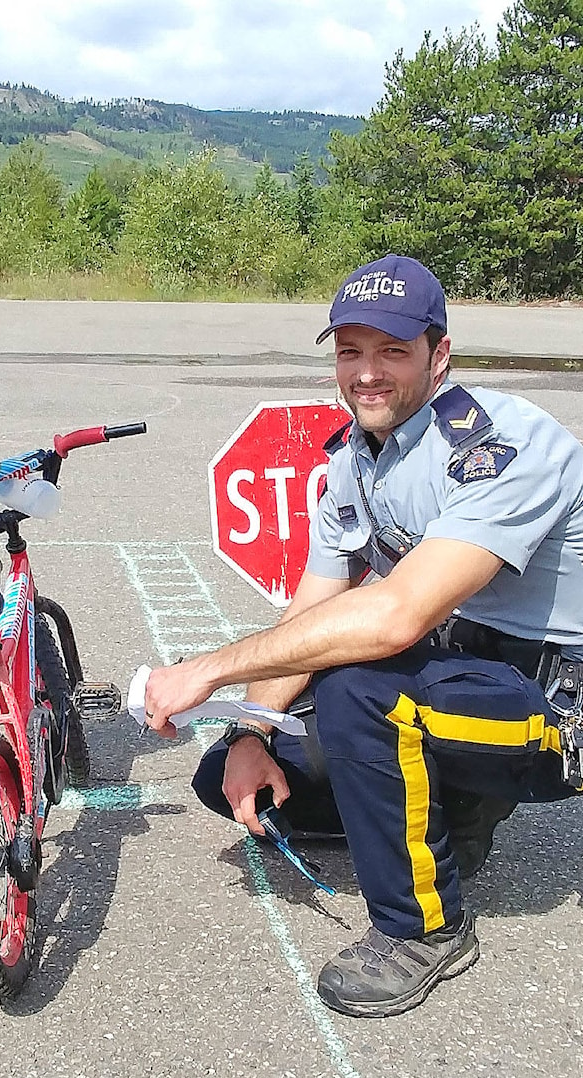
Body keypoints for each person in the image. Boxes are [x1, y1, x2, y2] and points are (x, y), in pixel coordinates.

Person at [143, 253, 583, 1018]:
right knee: (230, 775)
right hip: (466, 676)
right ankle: (442, 822)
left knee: (359, 687)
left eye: (392, 351)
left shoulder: (502, 444)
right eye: (350, 351)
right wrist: (250, 729)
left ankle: (425, 931)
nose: (366, 373)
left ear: (439, 354)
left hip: (555, 703)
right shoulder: (355, 460)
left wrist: (208, 670)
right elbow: (311, 610)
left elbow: (397, 615)